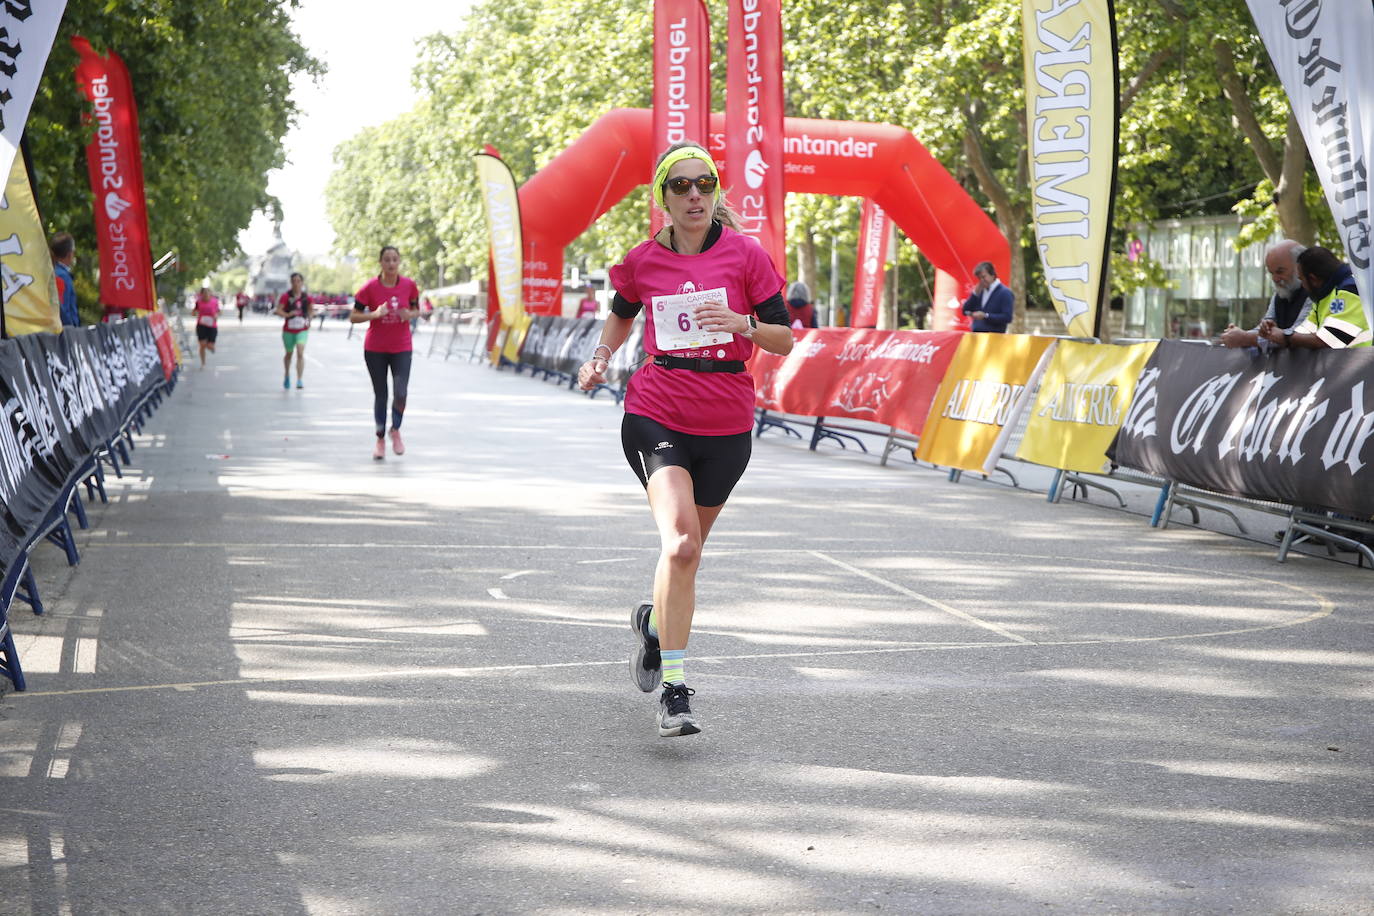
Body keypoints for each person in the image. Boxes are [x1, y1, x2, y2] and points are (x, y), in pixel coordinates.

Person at [576, 141, 794, 738]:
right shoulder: (643, 260)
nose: (694, 195)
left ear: (716, 191)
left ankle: (653, 628)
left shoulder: (746, 256)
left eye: (704, 184)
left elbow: (783, 339)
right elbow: (622, 312)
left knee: (687, 558)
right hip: (657, 409)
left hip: (726, 422)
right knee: (681, 547)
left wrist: (744, 324)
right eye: (681, 186)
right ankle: (674, 690)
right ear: (664, 198)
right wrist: (600, 355)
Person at [351, 246, 421, 459]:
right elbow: (353, 316)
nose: (391, 263)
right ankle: (380, 438)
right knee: (381, 394)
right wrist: (374, 314)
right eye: (387, 260)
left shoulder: (409, 285)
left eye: (394, 259)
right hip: (375, 349)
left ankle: (395, 430)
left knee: (401, 392)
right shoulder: (370, 287)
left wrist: (409, 314)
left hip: (401, 347)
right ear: (380, 263)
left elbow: (417, 309)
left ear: (399, 262)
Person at [1259, 246, 1370, 350]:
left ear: (1313, 279)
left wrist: (1285, 337)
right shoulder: (1323, 295)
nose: (1302, 285)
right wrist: (1274, 332)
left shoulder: (1353, 289)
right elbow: (1304, 332)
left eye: (1301, 279)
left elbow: (1330, 340)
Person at [1221, 240, 1310, 351]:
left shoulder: (1314, 294)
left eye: (1280, 272)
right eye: (1271, 273)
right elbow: (1265, 330)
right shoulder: (1281, 293)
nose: (1275, 279)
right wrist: (1236, 335)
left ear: (1299, 267)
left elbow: (1297, 336)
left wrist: (1244, 337)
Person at [275, 272, 313, 389]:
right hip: (289, 330)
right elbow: (278, 310)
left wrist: (309, 320)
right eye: (294, 281)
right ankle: (287, 375)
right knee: (289, 354)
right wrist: (288, 314)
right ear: (291, 283)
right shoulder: (286, 296)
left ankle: (299, 380)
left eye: (298, 281)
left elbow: (311, 311)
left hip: (302, 329)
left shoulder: (307, 297)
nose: (296, 283)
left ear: (302, 282)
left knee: (300, 353)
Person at [961, 261, 1013, 332]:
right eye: (979, 278)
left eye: (983, 277)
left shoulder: (1005, 292)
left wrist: (986, 316)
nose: (981, 281)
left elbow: (1007, 317)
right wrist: (974, 294)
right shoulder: (980, 291)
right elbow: (965, 310)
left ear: (993, 275)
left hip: (994, 338)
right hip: (976, 336)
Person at [50, 232, 80, 327]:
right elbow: (63, 309)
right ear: (70, 254)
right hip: (67, 333)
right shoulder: (61, 276)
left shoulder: (55, 273)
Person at [191, 287, 220, 368]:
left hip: (212, 326)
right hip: (201, 325)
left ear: (210, 294)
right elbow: (194, 312)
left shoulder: (214, 301)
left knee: (209, 345)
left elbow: (219, 311)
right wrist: (194, 313)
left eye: (207, 293)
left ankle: (211, 347)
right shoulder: (198, 302)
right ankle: (203, 363)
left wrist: (216, 316)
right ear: (201, 294)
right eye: (204, 293)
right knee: (202, 345)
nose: (206, 295)